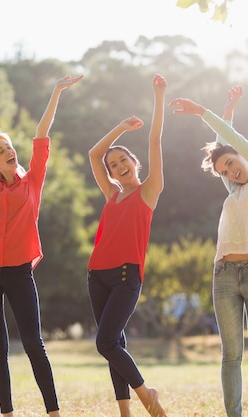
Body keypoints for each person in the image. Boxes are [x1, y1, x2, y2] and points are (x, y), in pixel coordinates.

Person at [0, 75, 83, 417]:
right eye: (0, 151)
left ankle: (53, 412)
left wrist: (56, 91)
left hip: (18, 272)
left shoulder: (33, 180)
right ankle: (7, 413)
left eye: (9, 146)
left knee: (33, 344)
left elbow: (41, 134)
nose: (9, 151)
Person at [169, 86, 248, 417]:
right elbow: (225, 147)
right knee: (230, 354)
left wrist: (204, 112)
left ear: (244, 157)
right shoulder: (235, 189)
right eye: (224, 172)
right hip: (224, 275)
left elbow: (234, 142)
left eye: (232, 165)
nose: (231, 173)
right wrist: (228, 109)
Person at [86, 74, 168, 417]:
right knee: (113, 345)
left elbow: (154, 140)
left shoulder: (149, 191)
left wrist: (159, 97)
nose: (118, 167)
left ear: (134, 163)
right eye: (113, 166)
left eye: (123, 161)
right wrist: (119, 126)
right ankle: (125, 411)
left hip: (125, 276)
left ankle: (146, 393)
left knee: (105, 342)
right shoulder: (112, 194)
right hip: (96, 276)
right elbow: (94, 153)